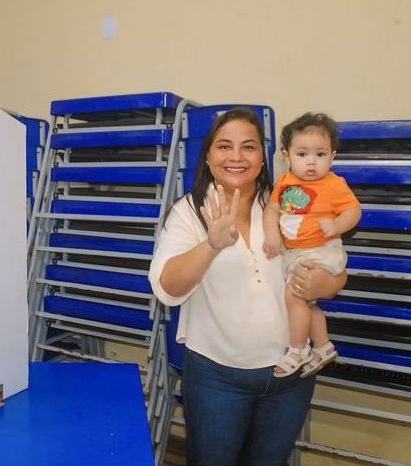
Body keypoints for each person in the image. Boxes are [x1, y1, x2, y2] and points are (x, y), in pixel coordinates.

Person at [148, 107, 346, 466]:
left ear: (264, 157)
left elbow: (333, 265)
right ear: (208, 156)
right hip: (216, 379)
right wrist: (210, 245)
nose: (237, 156)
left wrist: (328, 283)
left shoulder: (292, 200)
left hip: (291, 377)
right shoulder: (190, 211)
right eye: (224, 146)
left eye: (248, 147)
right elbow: (167, 288)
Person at [262, 113, 361, 378]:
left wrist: (338, 225)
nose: (311, 162)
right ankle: (323, 345)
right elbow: (271, 210)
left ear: (332, 157)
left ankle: (297, 349)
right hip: (296, 251)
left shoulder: (334, 184)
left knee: (294, 294)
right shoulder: (284, 183)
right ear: (287, 156)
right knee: (304, 303)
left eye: (320, 154)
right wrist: (271, 235)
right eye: (302, 154)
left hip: (322, 250)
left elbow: (354, 211)